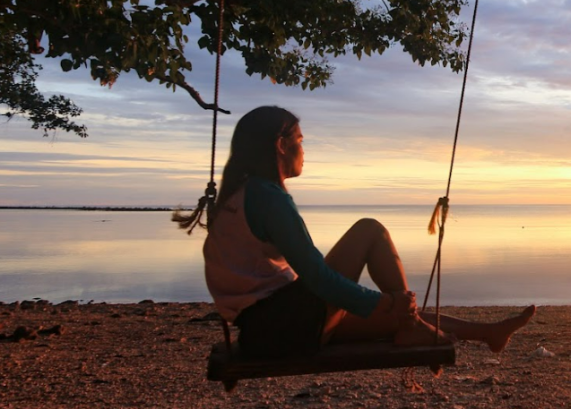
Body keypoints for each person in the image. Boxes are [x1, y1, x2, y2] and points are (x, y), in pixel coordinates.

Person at [174, 105, 534, 359]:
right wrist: (382, 301)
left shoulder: (240, 193)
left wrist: (386, 306)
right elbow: (318, 279)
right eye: (300, 140)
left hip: (265, 332)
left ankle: (488, 332)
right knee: (369, 230)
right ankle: (407, 322)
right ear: (281, 145)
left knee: (394, 317)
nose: (304, 149)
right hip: (284, 325)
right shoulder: (267, 198)